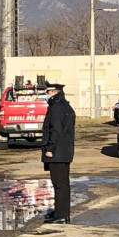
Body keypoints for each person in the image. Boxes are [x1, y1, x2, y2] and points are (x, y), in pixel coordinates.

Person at [41, 82, 76, 224]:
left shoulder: (56, 108)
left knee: (59, 184)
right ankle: (62, 213)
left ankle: (61, 215)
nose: (46, 95)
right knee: (63, 184)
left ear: (54, 92)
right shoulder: (66, 106)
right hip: (65, 150)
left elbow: (55, 130)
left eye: (48, 92)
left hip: (57, 152)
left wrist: (50, 149)